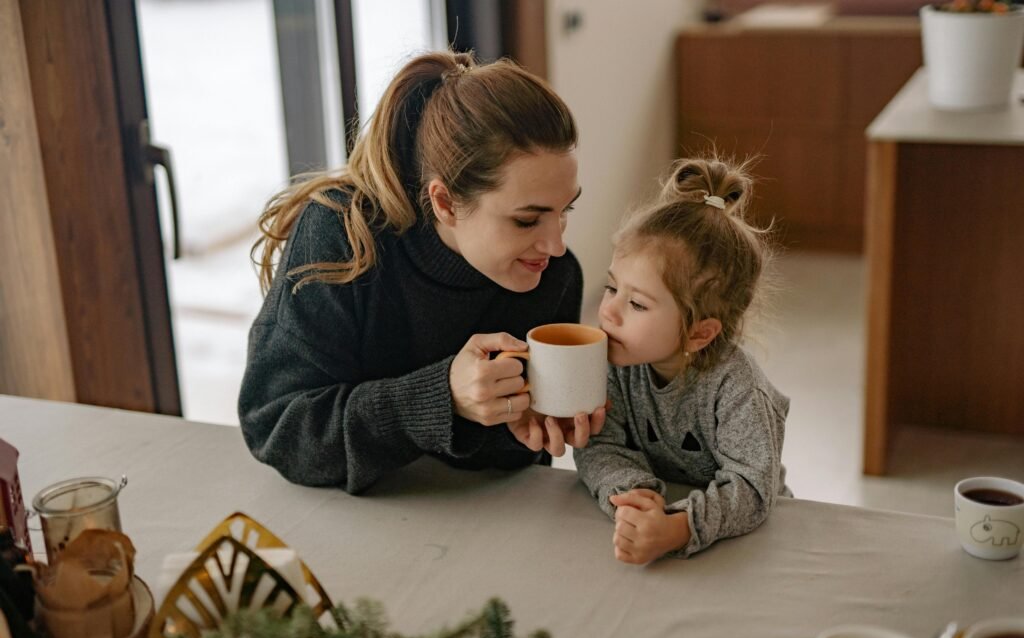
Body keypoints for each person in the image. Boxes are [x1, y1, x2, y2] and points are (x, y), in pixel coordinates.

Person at [238, 51, 606, 493]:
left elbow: (504, 467)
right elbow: (276, 428)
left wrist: (511, 423)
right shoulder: (341, 234)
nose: (556, 244)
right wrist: (440, 398)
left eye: (565, 210)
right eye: (527, 220)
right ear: (445, 202)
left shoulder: (554, 275)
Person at [575, 155, 792, 564]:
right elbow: (600, 442)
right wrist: (632, 495)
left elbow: (753, 486)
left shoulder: (737, 387)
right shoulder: (617, 359)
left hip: (745, 542)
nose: (609, 311)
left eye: (637, 304)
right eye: (611, 287)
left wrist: (680, 527)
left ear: (699, 332)